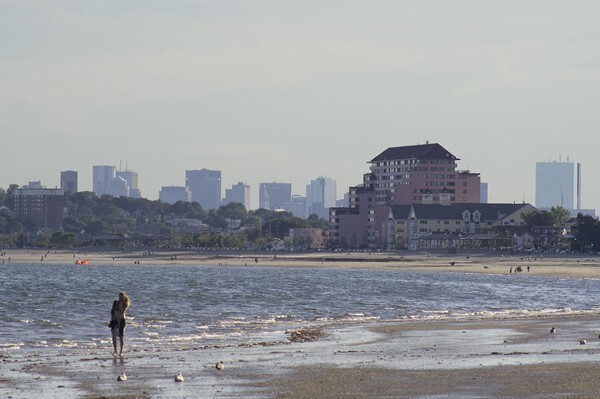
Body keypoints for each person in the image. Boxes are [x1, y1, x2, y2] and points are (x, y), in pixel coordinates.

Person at [110, 292, 131, 357]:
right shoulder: (115, 302)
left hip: (121, 320)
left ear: (124, 297)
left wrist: (118, 308)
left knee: (121, 336)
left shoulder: (125, 304)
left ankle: (121, 351)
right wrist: (113, 317)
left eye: (122, 297)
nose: (120, 298)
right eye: (119, 297)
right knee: (113, 335)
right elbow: (112, 311)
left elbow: (122, 312)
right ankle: (115, 351)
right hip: (114, 320)